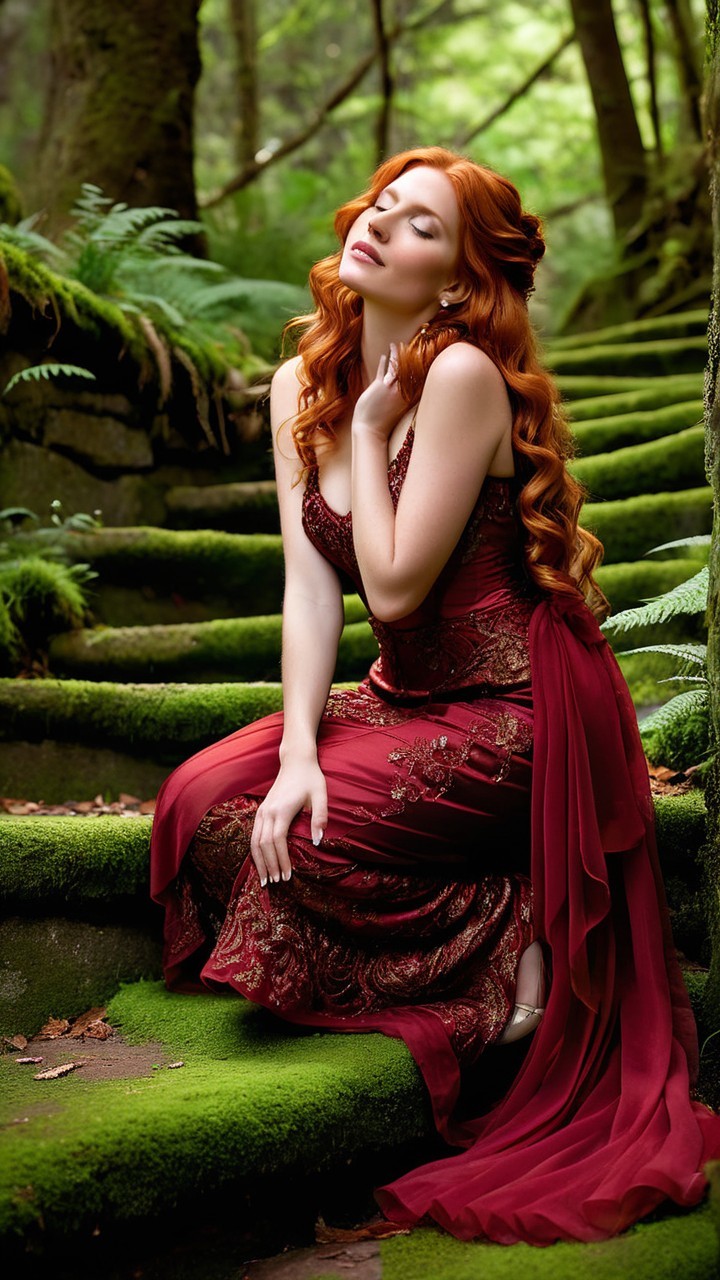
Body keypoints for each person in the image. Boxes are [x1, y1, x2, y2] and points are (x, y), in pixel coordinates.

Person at [149, 146, 720, 1245]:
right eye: (383, 203)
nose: (377, 223)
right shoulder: (297, 380)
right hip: (400, 696)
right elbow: (312, 586)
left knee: (296, 847)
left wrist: (369, 430)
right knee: (196, 804)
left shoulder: (456, 376)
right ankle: (508, 896)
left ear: (458, 279)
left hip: (517, 710)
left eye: (418, 224)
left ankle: (521, 935)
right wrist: (305, 747)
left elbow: (397, 582)